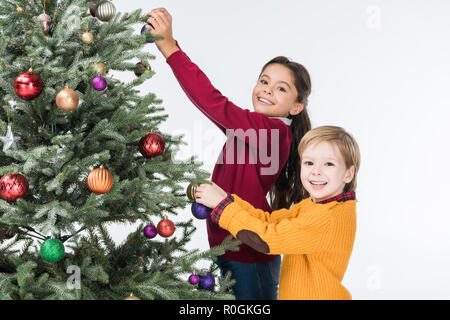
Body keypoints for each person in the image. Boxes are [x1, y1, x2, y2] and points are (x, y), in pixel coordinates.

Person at [147, 7, 313, 299]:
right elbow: (214, 108)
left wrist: (170, 48)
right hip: (233, 247)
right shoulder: (258, 128)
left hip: (248, 255)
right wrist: (172, 47)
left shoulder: (272, 131)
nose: (267, 90)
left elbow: (213, 103)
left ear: (295, 107)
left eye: (281, 89)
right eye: (264, 81)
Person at [195, 126, 361, 300]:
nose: (316, 171)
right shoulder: (317, 205)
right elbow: (269, 221)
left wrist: (223, 207)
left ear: (348, 174)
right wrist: (228, 199)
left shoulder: (326, 217)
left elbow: (266, 239)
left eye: (329, 164)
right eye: (309, 163)